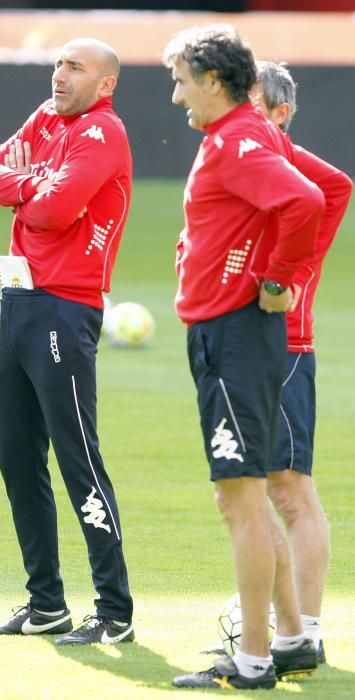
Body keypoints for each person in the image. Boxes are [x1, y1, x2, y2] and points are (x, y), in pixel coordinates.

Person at [162, 25, 326, 690]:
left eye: (179, 80)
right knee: (252, 497)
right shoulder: (246, 134)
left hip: (230, 335)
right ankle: (289, 642)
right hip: (231, 333)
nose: (175, 96)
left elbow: (307, 199)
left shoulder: (232, 139)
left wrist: (279, 278)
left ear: (211, 79)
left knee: (239, 503)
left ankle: (253, 660)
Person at [0, 38, 135, 646]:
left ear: (105, 84)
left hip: (64, 309)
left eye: (76, 67)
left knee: (78, 458)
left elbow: (56, 210)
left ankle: (113, 609)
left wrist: (31, 182)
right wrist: (35, 180)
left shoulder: (102, 133)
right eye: (59, 64)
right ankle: (46, 602)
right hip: (15, 302)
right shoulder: (46, 119)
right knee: (17, 457)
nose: (60, 75)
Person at [251, 61, 352, 663]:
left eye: (254, 105)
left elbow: (338, 185)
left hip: (285, 346)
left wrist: (275, 148)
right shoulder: (245, 170)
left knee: (290, 491)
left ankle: (305, 627)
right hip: (243, 344)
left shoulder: (303, 182)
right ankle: (279, 618)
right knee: (249, 490)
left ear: (280, 114)